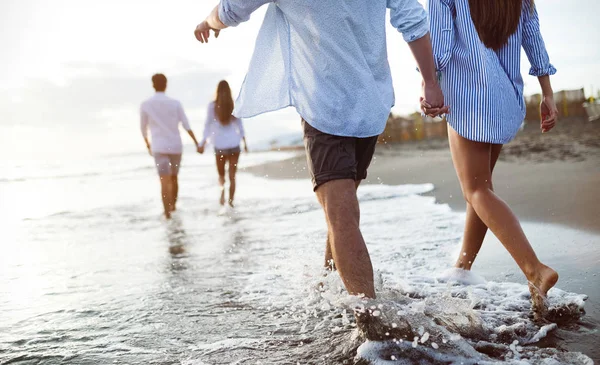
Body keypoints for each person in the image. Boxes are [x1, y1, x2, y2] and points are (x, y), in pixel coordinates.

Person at [194, 0, 447, 301]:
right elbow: (412, 18)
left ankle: (371, 323)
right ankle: (328, 285)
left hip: (324, 108)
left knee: (340, 213)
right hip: (371, 106)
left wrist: (207, 24)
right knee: (343, 208)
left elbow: (230, 11)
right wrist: (430, 81)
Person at [427, 0, 559, 315]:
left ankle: (535, 270)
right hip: (503, 97)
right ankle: (462, 267)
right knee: (481, 187)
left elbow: (441, 45)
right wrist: (548, 92)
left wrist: (429, 82)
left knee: (476, 190)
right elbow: (534, 39)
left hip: (467, 96)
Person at [140, 74, 201, 219]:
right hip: (175, 146)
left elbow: (143, 128)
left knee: (164, 180)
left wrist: (148, 144)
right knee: (174, 178)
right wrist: (196, 142)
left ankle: (167, 214)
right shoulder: (175, 103)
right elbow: (186, 125)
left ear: (153, 85)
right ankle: (173, 207)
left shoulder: (146, 104)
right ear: (166, 84)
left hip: (159, 147)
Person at [198, 80, 248, 207]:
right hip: (234, 145)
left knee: (221, 175)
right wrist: (245, 142)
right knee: (232, 176)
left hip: (220, 146)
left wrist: (203, 142)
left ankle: (222, 195)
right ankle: (231, 203)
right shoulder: (234, 105)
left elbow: (207, 125)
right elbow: (240, 125)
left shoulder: (212, 106)